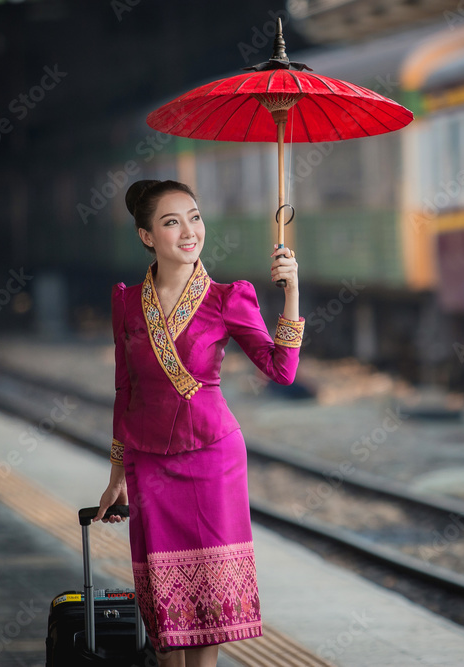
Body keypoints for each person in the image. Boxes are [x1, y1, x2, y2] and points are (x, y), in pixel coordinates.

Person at [94, 179, 303, 667]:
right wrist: (116, 476)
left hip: (214, 459)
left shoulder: (229, 298)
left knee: (207, 618)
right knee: (167, 632)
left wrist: (292, 291)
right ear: (147, 236)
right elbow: (125, 391)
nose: (189, 231)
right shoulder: (126, 302)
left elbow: (283, 370)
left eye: (195, 217)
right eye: (171, 222)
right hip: (147, 463)